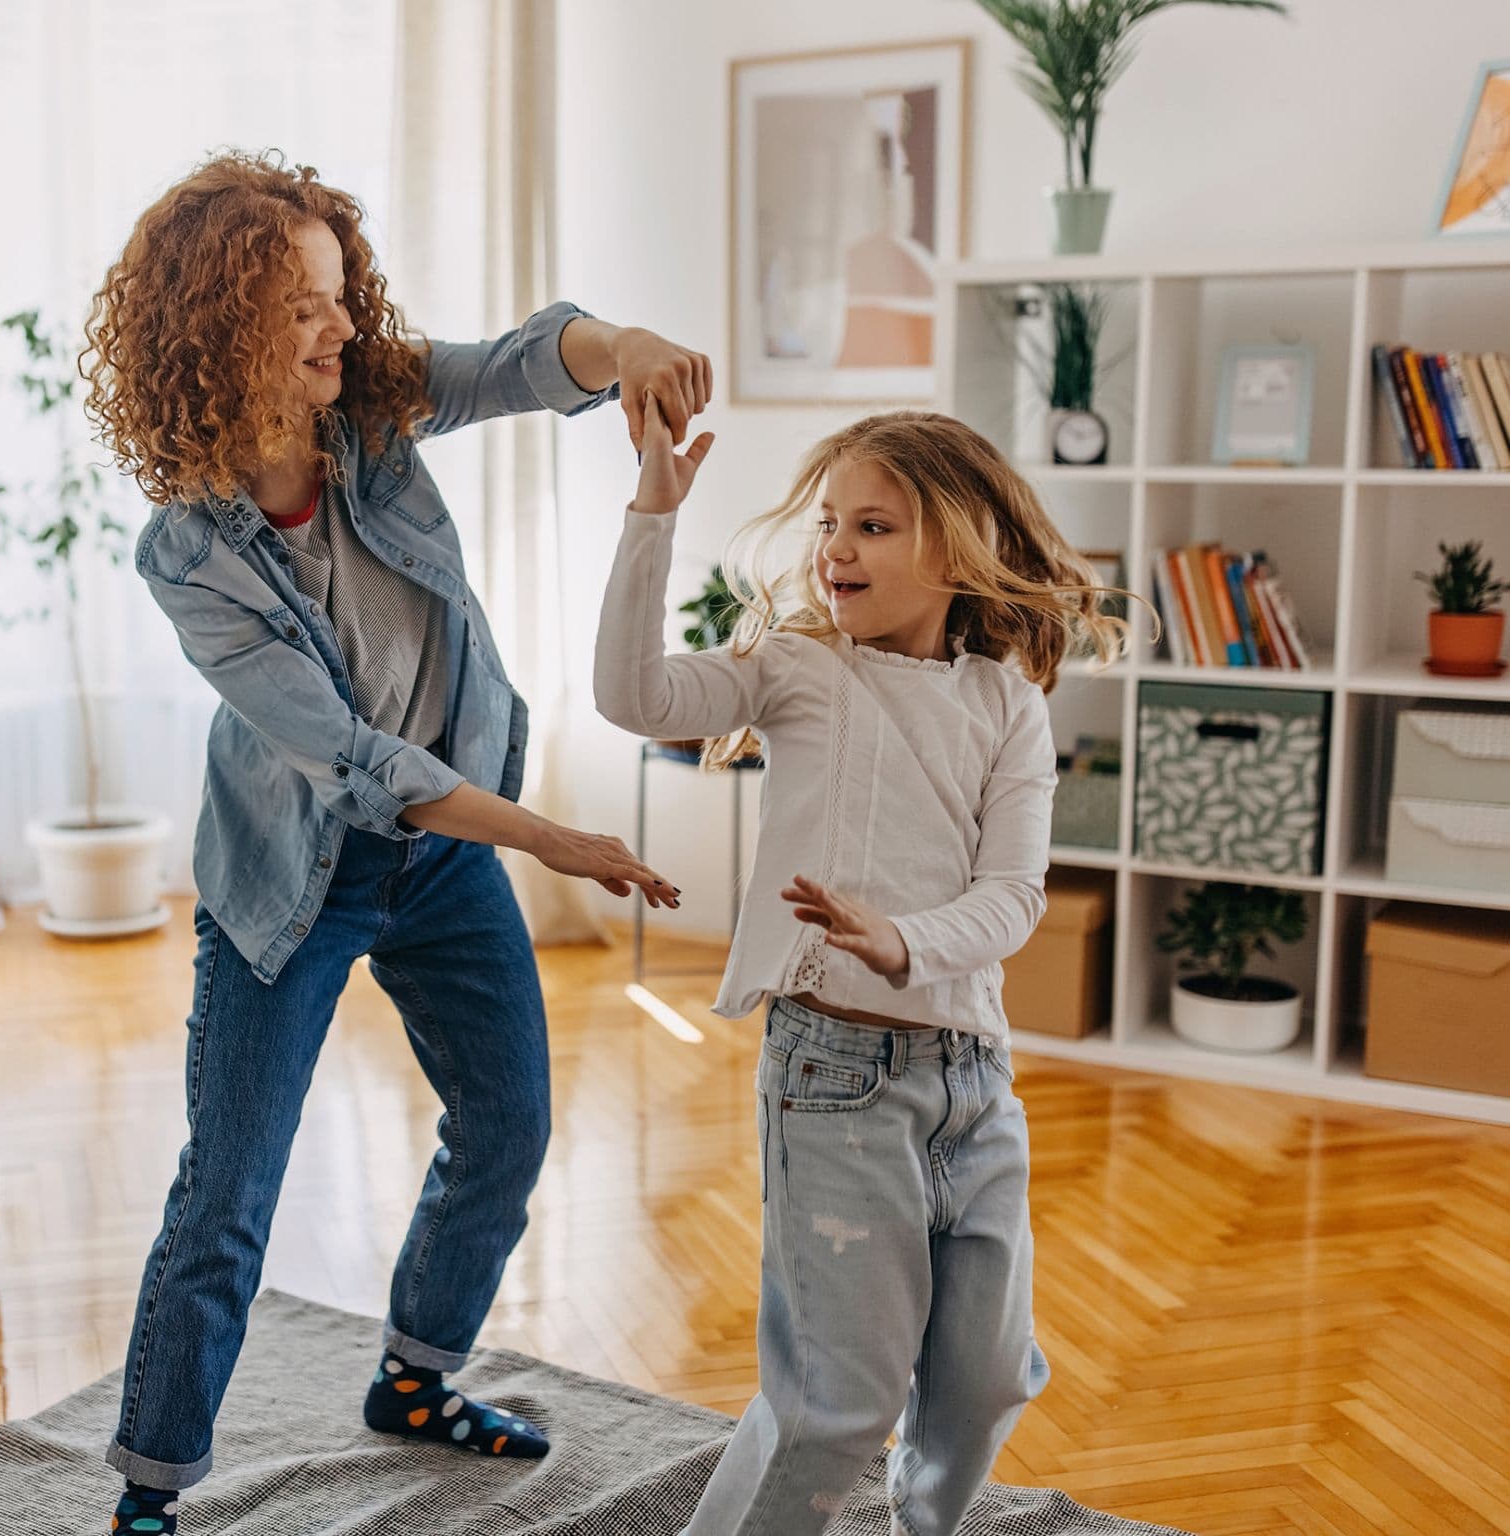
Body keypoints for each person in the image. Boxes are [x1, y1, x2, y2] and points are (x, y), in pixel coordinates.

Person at [79, 149, 712, 1535]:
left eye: (338, 294)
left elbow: (518, 362)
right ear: (218, 325)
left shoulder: (368, 415)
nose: (342, 326)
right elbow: (359, 768)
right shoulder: (187, 552)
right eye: (303, 305)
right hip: (293, 884)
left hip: (444, 859)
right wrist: (554, 836)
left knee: (509, 1123)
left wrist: (627, 347)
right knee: (227, 1197)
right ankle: (148, 1492)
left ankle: (416, 1381)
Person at [592, 405, 1141, 1536]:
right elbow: (632, 698)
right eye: (830, 522)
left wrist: (906, 942)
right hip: (831, 1079)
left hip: (973, 1085)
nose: (834, 547)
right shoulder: (800, 671)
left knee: (985, 1378)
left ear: (955, 545)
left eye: (873, 525)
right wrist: (652, 514)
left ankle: (915, 1524)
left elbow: (1014, 895)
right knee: (836, 1402)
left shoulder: (1005, 704)